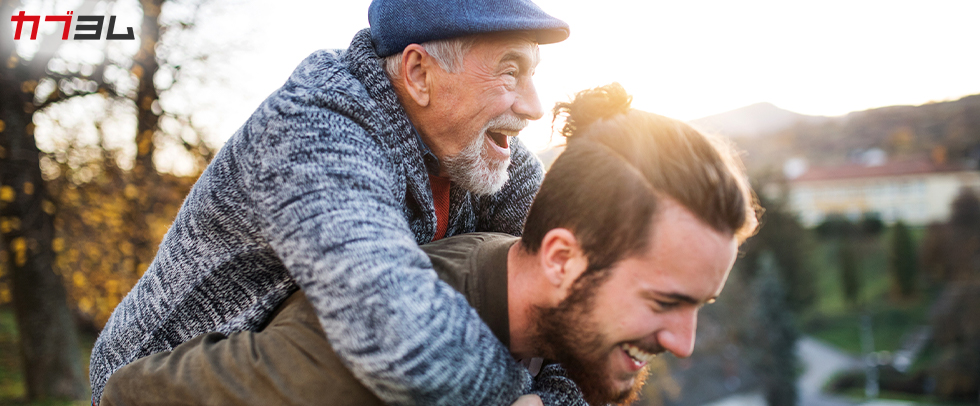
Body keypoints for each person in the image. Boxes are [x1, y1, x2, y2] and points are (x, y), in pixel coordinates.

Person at [99, 84, 760, 406]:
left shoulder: (528, 257)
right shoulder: (361, 358)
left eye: (699, 304)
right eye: (665, 301)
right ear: (560, 259)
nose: (685, 341)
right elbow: (129, 394)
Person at [88, 0, 573, 404]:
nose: (533, 105)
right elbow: (389, 324)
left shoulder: (487, 153)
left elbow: (578, 297)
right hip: (162, 385)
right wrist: (514, 398)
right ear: (419, 72)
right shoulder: (314, 127)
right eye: (510, 72)